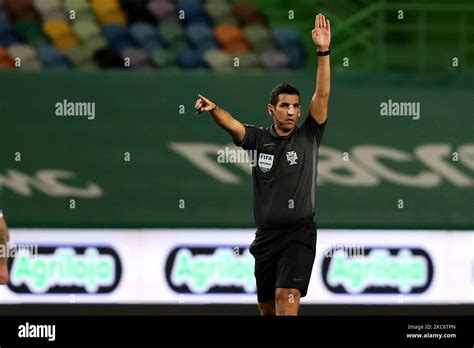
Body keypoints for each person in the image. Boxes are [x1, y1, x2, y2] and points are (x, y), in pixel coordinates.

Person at [195, 13, 330, 315]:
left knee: (286, 296)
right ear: (271, 109)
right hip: (266, 238)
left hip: (299, 234)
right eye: (285, 106)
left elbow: (322, 93)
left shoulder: (309, 135)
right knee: (268, 310)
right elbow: (233, 125)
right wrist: (215, 109)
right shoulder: (258, 139)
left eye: (295, 106)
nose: (292, 111)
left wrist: (323, 52)